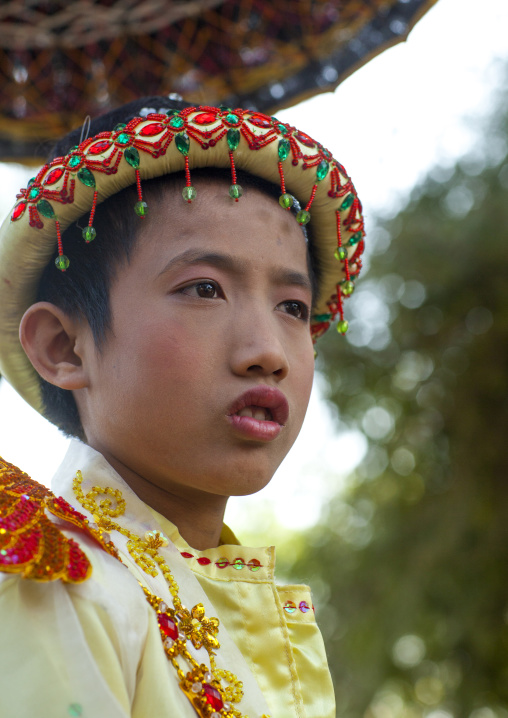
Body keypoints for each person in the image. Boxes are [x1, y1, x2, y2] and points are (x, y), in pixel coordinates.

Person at [0, 96, 365, 718]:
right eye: (204, 289)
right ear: (64, 347)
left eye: (293, 308)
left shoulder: (235, 609)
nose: (267, 353)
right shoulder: (55, 580)